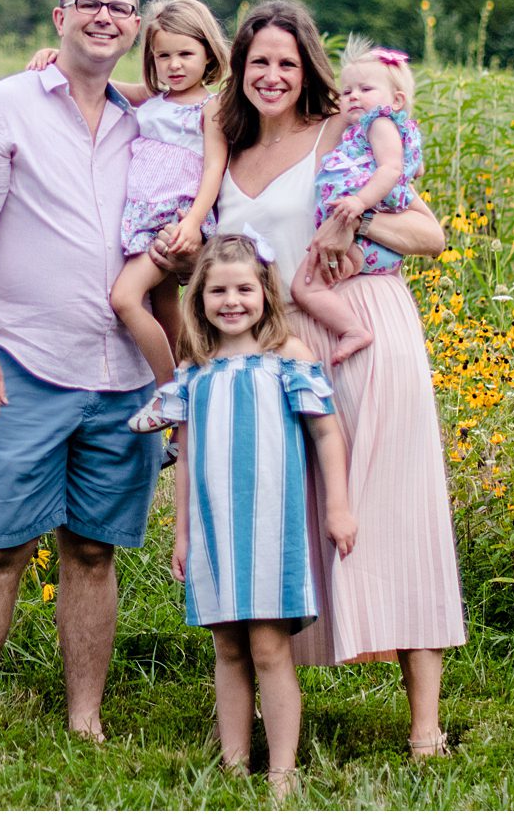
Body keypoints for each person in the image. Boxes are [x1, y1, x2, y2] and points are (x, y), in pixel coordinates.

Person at [0, 0, 181, 743]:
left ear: (136, 27)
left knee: (94, 551)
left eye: (121, 8)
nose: (105, 17)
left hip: (125, 377)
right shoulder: (2, 106)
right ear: (59, 14)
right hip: (25, 364)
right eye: (90, 4)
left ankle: (85, 720)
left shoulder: (153, 120)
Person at [205, 0, 462, 760]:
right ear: (240, 71)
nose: (273, 75)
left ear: (308, 66)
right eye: (258, 63)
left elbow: (430, 233)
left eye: (287, 62)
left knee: (393, 510)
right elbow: (157, 86)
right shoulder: (229, 142)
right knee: (304, 520)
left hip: (365, 329)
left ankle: (424, 728)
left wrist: (352, 220)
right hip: (279, 347)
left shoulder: (343, 135)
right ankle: (276, 716)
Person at [158, 232, 354, 798]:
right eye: (217, 290)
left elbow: (326, 431)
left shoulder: (287, 357)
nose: (232, 300)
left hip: (272, 523)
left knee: (269, 645)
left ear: (264, 292)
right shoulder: (195, 367)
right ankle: (233, 761)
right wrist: (183, 532)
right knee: (227, 646)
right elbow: (188, 455)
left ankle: (283, 771)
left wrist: (338, 506)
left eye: (244, 287)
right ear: (200, 300)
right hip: (216, 527)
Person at [102, 0, 229, 420]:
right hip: (142, 214)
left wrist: (193, 222)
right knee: (164, 306)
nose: (174, 65)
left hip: (173, 218)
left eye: (185, 54)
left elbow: (214, 166)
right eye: (164, 56)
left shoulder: (209, 106)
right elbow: (105, 85)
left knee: (124, 299)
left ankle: (167, 392)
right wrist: (56, 64)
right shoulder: (153, 100)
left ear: (208, 53)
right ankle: (186, 393)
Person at [286, 38, 426, 365]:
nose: (354, 97)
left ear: (397, 100)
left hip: (363, 233)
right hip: (363, 243)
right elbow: (407, 164)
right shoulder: (367, 130)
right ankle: (350, 325)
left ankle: (353, 330)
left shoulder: (379, 122)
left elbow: (391, 168)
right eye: (347, 91)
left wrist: (358, 203)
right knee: (327, 275)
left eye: (365, 89)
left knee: (304, 287)